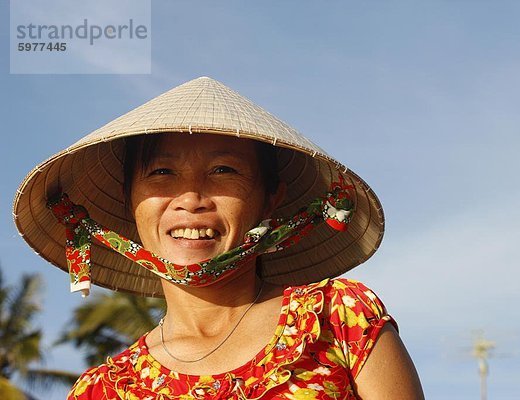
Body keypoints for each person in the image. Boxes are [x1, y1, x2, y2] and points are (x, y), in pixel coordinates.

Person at [13, 77, 424, 399]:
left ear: (270, 201)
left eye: (224, 171)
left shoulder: (338, 318)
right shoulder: (104, 390)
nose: (191, 199)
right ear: (130, 202)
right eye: (161, 173)